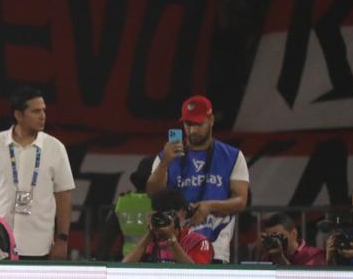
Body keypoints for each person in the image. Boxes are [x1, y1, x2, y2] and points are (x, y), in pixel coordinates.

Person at [0, 86, 76, 260]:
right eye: (36, 111)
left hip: (38, 246)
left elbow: (64, 195)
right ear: (18, 115)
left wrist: (62, 239)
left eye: (43, 110)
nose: (43, 116)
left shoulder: (55, 148)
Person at [146, 95, 250, 263]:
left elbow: (241, 201)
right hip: (175, 248)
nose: (192, 130)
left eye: (198, 124)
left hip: (216, 249)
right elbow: (152, 192)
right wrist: (165, 162)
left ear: (211, 120)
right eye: (188, 124)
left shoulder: (232, 156)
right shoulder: (166, 156)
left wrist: (210, 206)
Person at [122, 190, 214, 264]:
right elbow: (124, 270)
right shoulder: (149, 242)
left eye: (170, 214)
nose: (164, 218)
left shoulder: (198, 242)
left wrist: (171, 240)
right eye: (160, 214)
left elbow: (197, 274)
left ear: (183, 213)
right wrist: (149, 236)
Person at [257, 213, 325, 266]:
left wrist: (279, 258)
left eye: (277, 236)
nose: (274, 241)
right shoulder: (268, 257)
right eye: (270, 238)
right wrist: (257, 254)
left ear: (293, 234)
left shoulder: (315, 256)